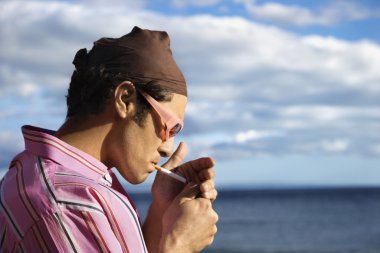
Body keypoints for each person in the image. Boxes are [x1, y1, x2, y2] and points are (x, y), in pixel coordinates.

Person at [0, 26, 218, 253]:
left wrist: (161, 210)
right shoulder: (65, 202)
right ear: (125, 99)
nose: (167, 149)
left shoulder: (36, 170)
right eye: (169, 128)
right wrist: (180, 245)